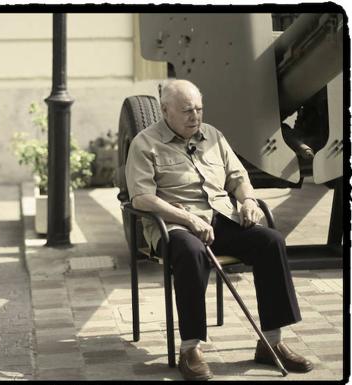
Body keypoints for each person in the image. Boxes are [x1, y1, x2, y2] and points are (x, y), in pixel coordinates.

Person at [125, 79, 313, 380]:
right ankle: (191, 349)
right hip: (173, 225)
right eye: (187, 111)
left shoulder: (212, 135)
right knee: (191, 250)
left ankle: (272, 342)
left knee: (271, 241)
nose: (195, 117)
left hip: (219, 218)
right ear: (164, 111)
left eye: (199, 109)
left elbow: (237, 177)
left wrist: (248, 201)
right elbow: (141, 197)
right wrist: (188, 220)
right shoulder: (144, 144)